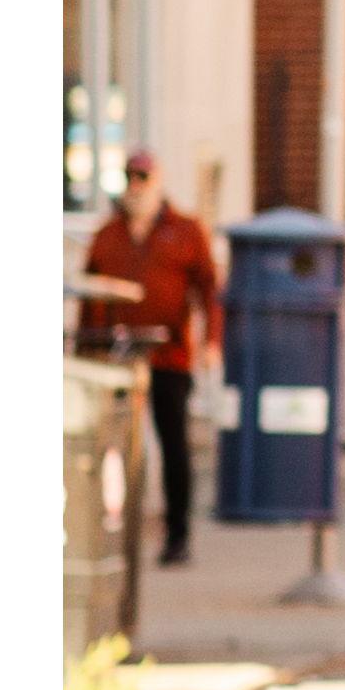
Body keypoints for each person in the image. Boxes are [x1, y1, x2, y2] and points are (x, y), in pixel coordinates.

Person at [78, 155, 224, 568]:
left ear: (157, 181)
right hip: (115, 359)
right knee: (113, 448)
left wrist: (212, 341)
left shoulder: (184, 231)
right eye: (129, 177)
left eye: (143, 177)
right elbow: (90, 295)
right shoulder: (108, 235)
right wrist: (85, 352)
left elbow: (209, 290)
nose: (135, 185)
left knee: (174, 444)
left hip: (168, 356)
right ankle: (112, 531)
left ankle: (178, 535)